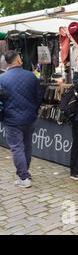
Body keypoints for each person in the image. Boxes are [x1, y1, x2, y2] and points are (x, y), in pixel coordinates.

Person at [0, 51, 43, 188]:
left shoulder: (2, 79)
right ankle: (25, 173)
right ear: (17, 60)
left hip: (11, 119)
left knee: (17, 148)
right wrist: (33, 110)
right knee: (27, 146)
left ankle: (23, 177)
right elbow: (39, 97)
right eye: (20, 57)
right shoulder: (31, 76)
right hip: (29, 117)